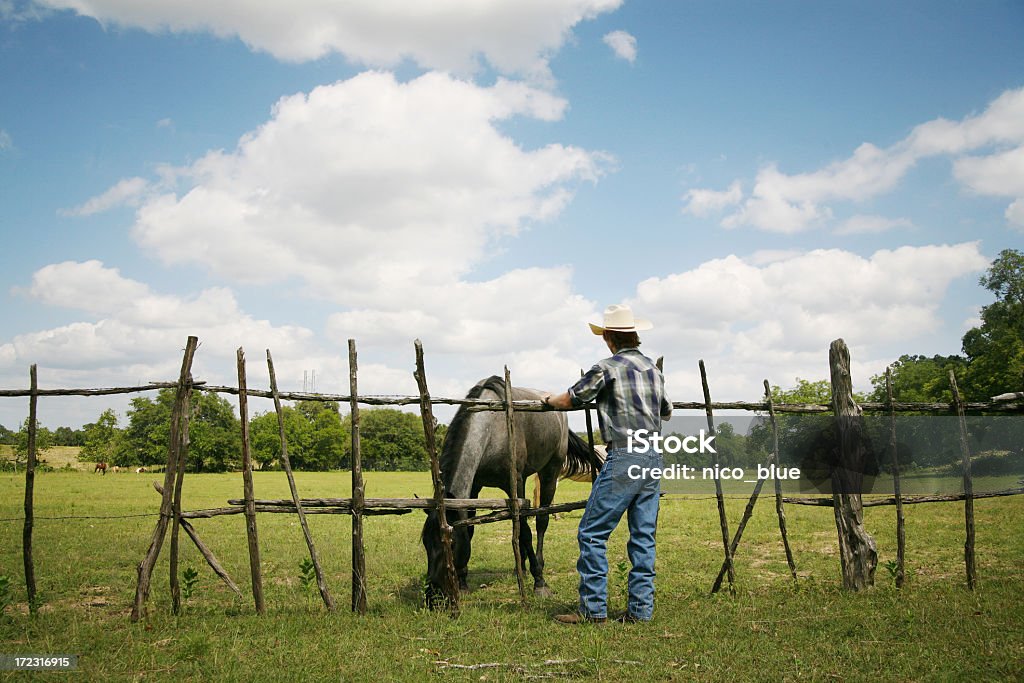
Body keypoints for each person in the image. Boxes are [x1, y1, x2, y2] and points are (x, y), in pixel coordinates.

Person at [543, 304, 672, 624]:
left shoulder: (606, 368)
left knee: (592, 532)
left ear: (609, 338)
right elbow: (666, 411)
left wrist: (547, 400)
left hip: (625, 455)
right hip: (653, 456)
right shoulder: (653, 371)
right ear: (635, 336)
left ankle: (593, 610)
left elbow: (571, 399)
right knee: (643, 535)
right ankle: (641, 612)